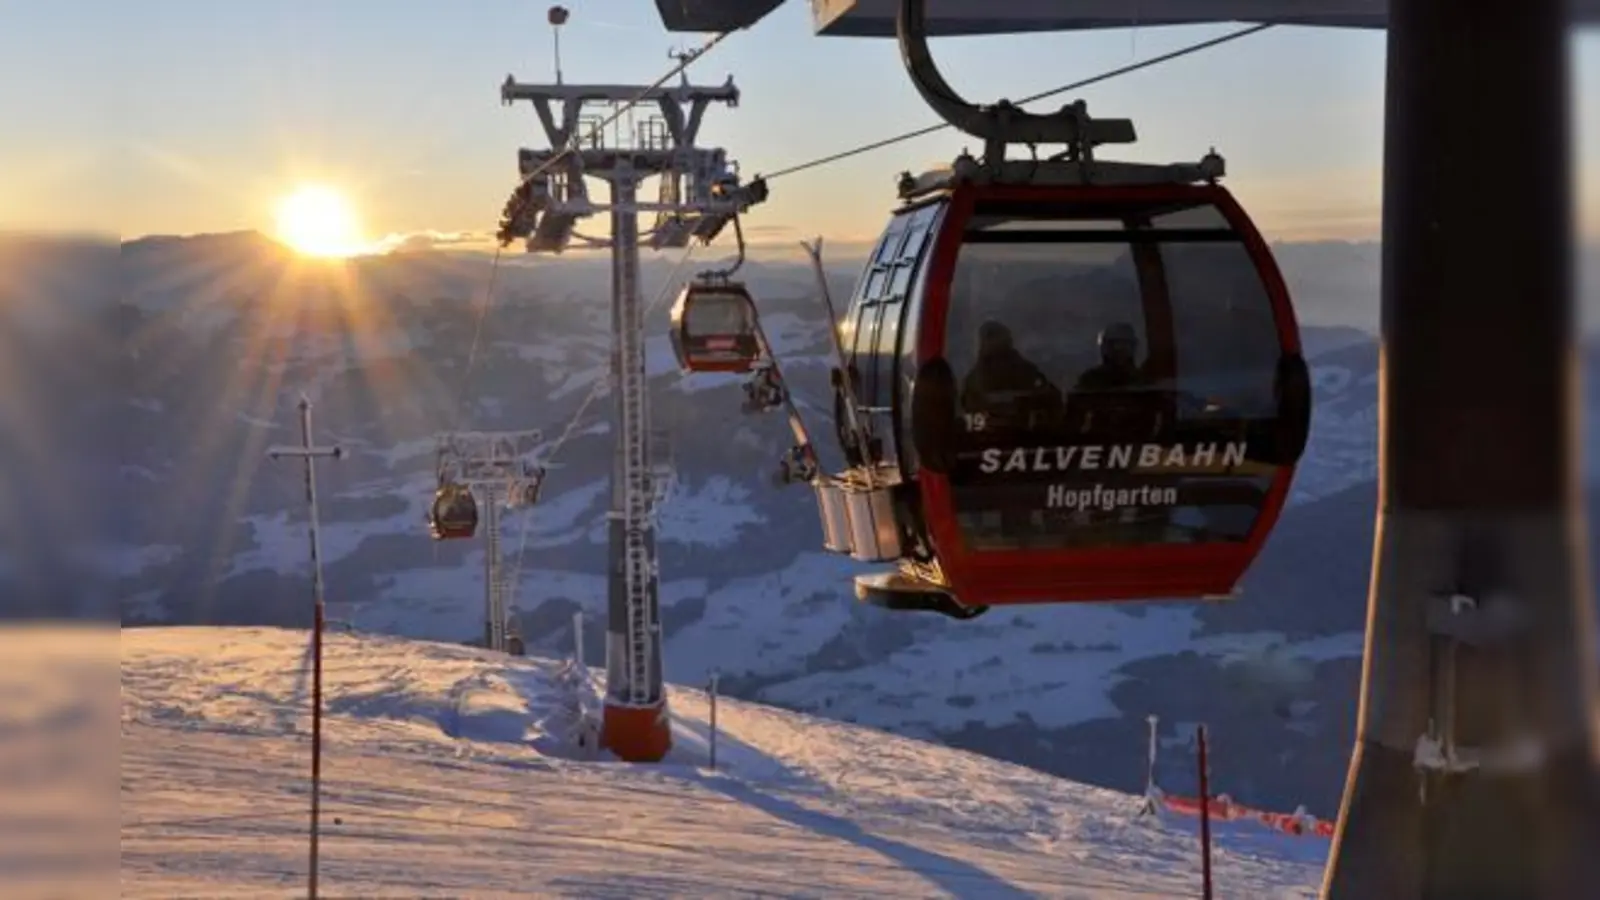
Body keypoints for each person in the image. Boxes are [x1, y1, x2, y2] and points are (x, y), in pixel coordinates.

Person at [959, 320, 1064, 433]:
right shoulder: (974, 379)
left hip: (1026, 438)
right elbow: (968, 409)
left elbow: (1053, 403)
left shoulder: (1027, 372)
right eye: (989, 338)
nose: (992, 343)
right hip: (986, 440)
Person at [1065, 322, 1162, 440]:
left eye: (1124, 345)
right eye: (1114, 345)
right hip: (1095, 443)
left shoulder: (1144, 381)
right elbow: (1074, 420)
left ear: (1133, 347)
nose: (1119, 350)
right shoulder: (1090, 379)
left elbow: (1156, 421)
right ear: (1104, 347)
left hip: (1138, 444)